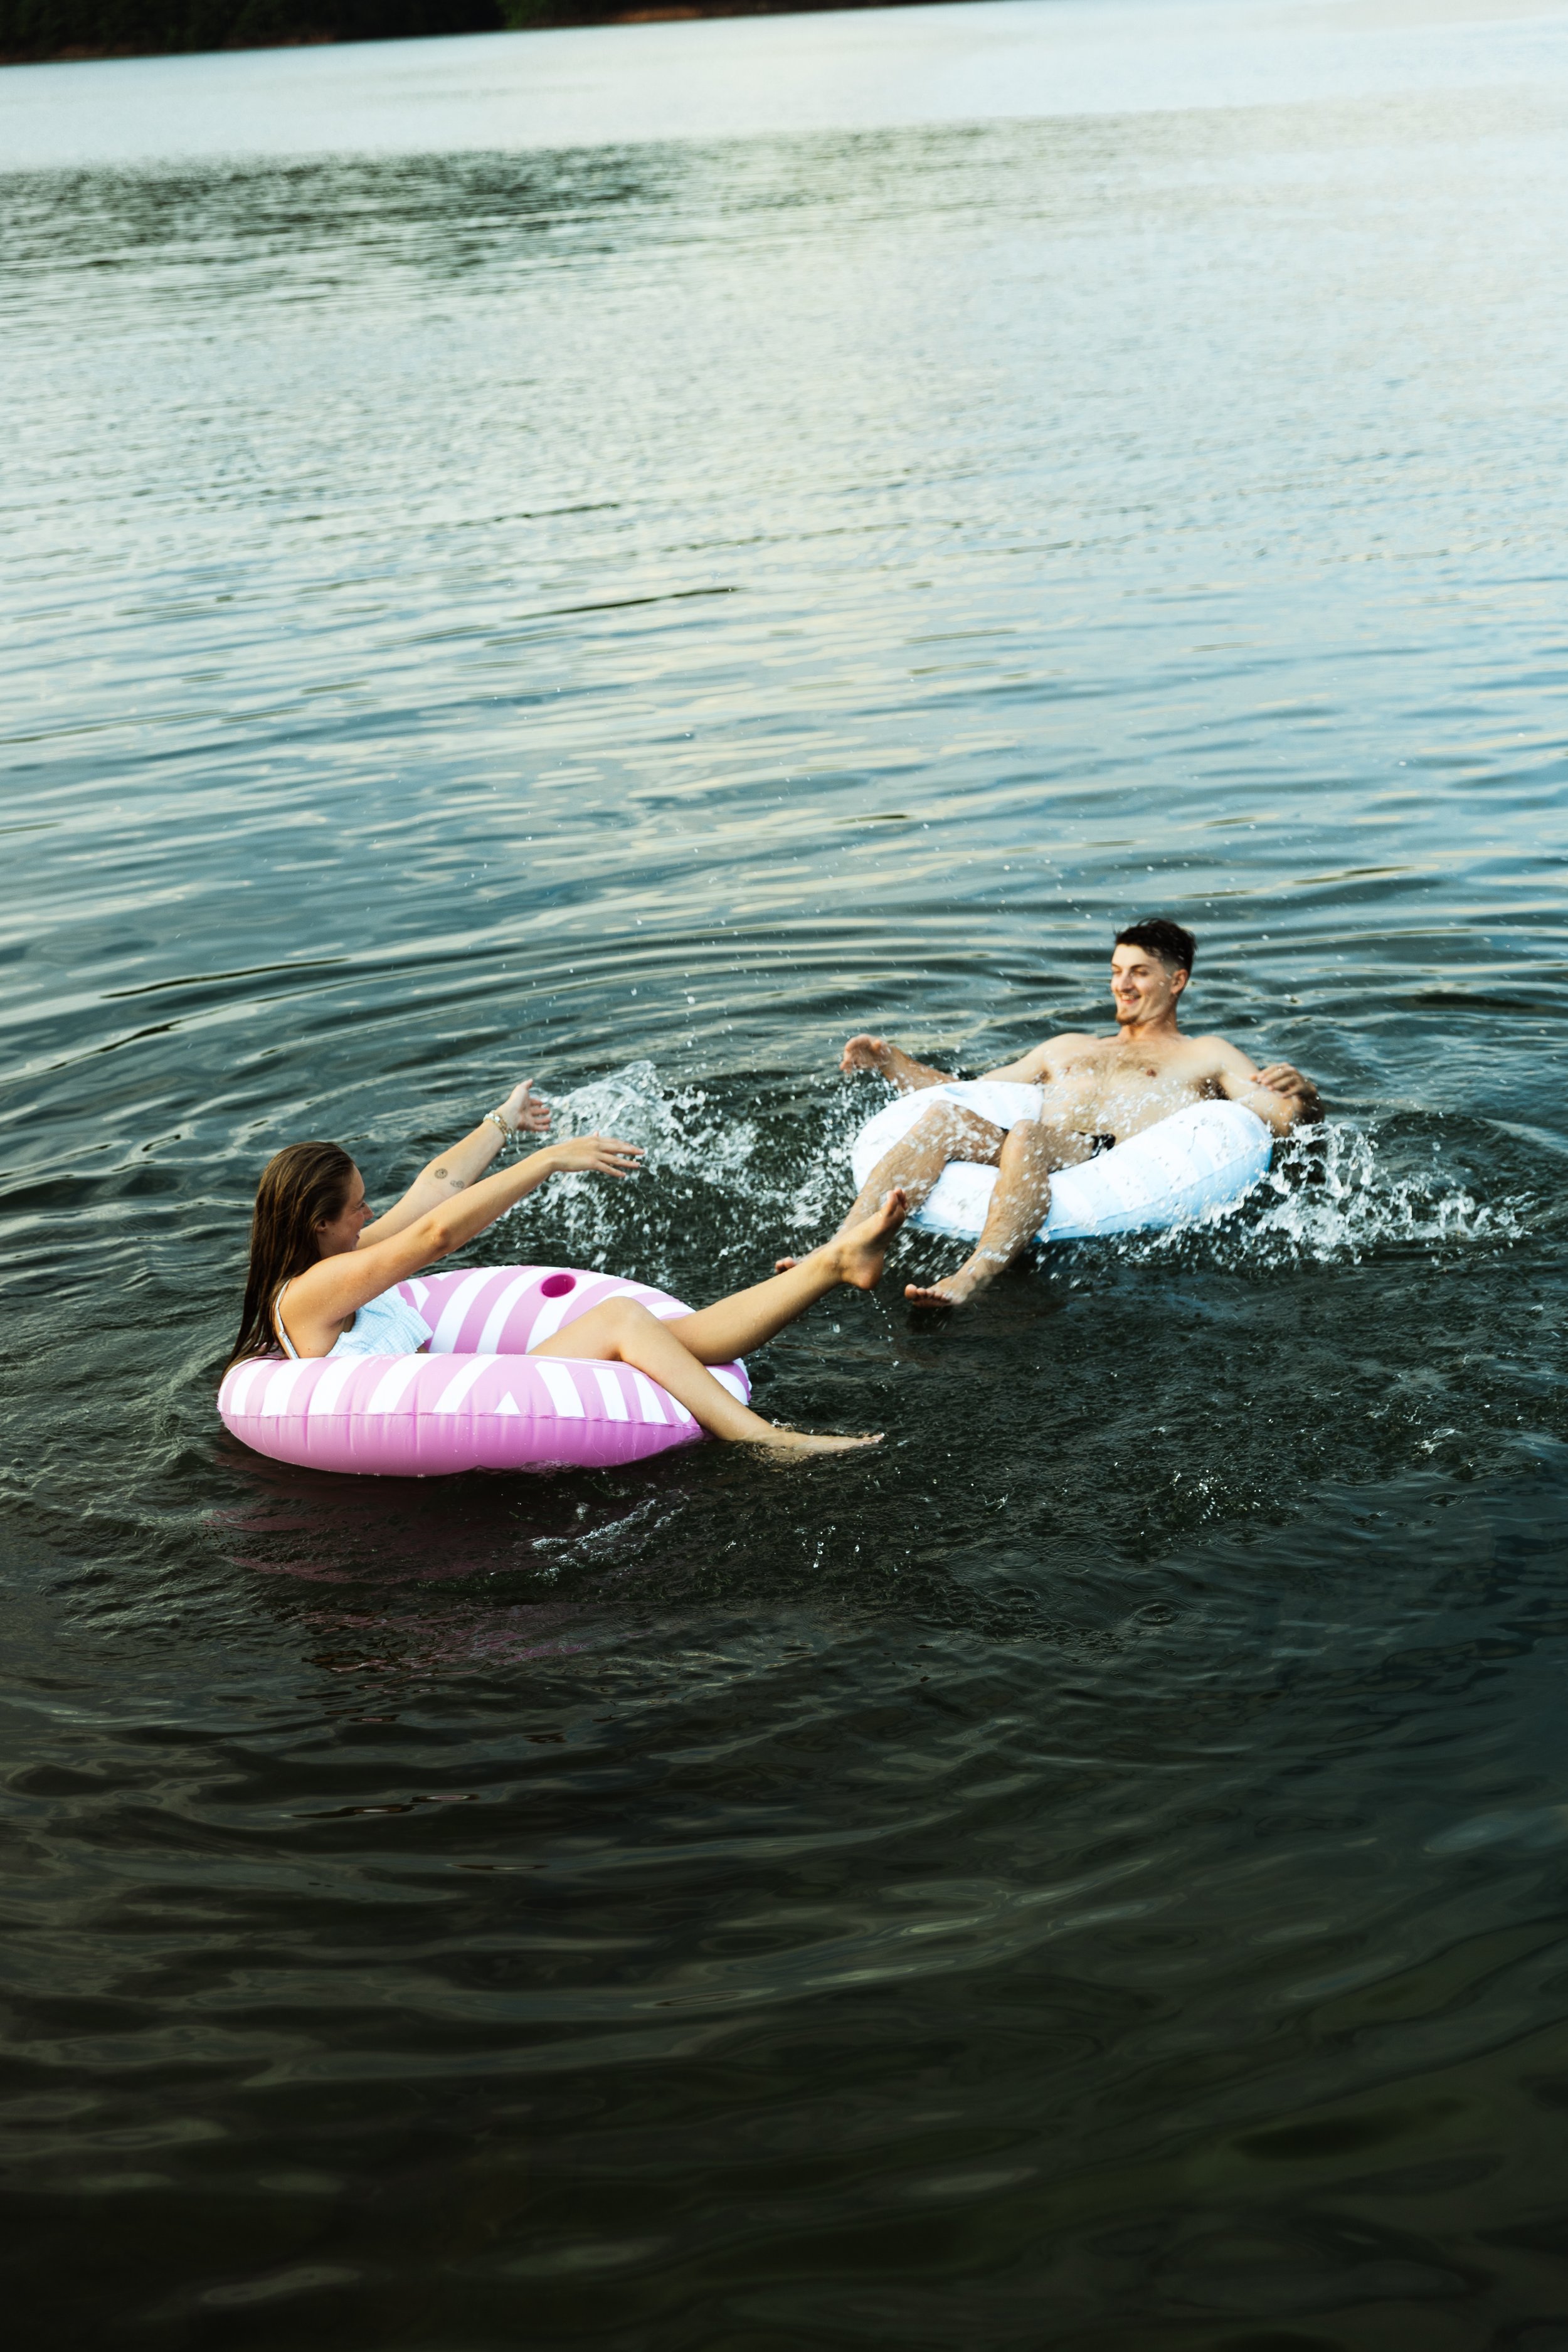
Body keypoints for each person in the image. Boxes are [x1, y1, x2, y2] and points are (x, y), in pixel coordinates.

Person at [228, 1077, 906, 1454]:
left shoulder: (348, 1257)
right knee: (617, 1318)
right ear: (318, 1224)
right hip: (469, 1407)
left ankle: (834, 1264)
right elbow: (434, 1235)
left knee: (679, 1337)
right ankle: (765, 1442)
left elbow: (436, 1188)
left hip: (474, 1388)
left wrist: (501, 1120)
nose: (371, 1215)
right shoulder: (310, 1294)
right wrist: (546, 1159)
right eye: (356, 1209)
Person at [783, 919, 1321, 1308]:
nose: (1122, 984)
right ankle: (846, 1248)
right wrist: (891, 1062)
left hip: (1112, 1157)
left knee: (1026, 1135)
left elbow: (1280, 1121)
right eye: (1116, 971)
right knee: (944, 1119)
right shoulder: (1066, 1046)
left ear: (1176, 981)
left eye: (1139, 973)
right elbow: (966, 1091)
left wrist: (1305, 1094)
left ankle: (972, 1277)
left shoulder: (1207, 1053)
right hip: (1042, 1144)